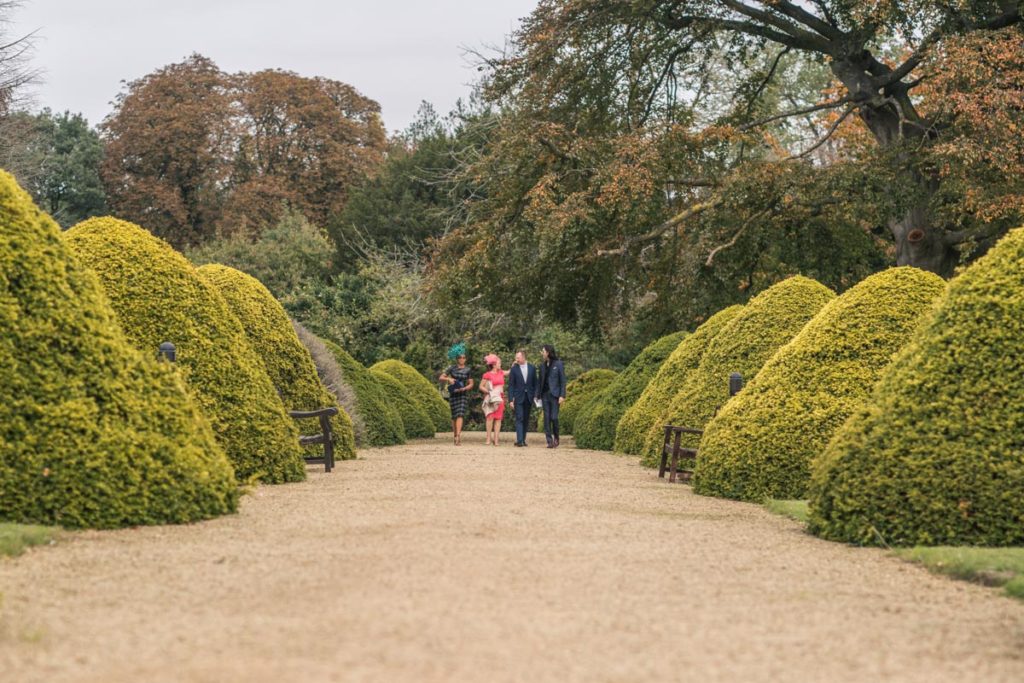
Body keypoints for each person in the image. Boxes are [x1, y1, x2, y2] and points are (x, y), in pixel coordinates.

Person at [439, 343, 474, 446]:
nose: (462, 359)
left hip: (463, 394)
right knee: (454, 416)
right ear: (457, 358)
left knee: (460, 414)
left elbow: (471, 383)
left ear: (465, 359)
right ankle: (455, 435)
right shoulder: (451, 368)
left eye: (464, 357)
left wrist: (465, 388)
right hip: (453, 393)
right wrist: (448, 378)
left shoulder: (468, 370)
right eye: (460, 357)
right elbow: (441, 377)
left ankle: (458, 436)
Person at [506, 349, 538, 447]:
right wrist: (511, 399)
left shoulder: (532, 368)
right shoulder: (514, 369)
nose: (516, 359)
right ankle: (519, 440)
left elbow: (535, 383)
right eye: (516, 358)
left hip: (529, 397)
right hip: (518, 397)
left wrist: (535, 395)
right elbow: (511, 385)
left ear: (523, 357)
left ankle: (523, 439)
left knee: (526, 419)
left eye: (518, 358)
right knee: (519, 418)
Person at [537, 344, 566, 448]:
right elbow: (539, 382)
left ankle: (556, 438)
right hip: (545, 395)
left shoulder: (558, 364)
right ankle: (549, 441)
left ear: (548, 352)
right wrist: (537, 395)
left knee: (554, 417)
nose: (542, 353)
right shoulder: (542, 366)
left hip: (555, 395)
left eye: (543, 351)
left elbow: (563, 381)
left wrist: (562, 395)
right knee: (546, 418)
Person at [480, 353, 507, 446]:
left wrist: (516, 363)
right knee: (490, 418)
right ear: (494, 364)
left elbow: (510, 371)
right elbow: (481, 386)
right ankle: (488, 438)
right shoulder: (487, 375)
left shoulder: (501, 373)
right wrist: (488, 392)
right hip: (491, 398)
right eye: (499, 363)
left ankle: (496, 440)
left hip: (500, 398)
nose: (500, 364)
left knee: (498, 419)